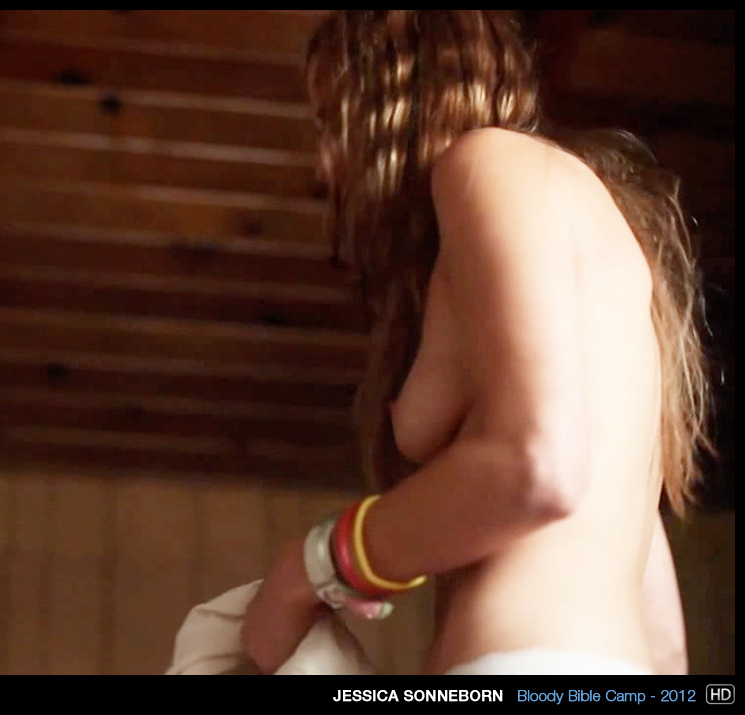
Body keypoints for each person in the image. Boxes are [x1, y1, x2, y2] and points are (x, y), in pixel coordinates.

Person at [238, 10, 709, 676]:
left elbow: (536, 465)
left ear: (390, 94)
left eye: (328, 121)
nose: (323, 163)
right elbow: (663, 642)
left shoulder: (489, 163)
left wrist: (315, 564)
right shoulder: (581, 253)